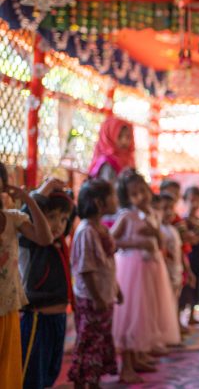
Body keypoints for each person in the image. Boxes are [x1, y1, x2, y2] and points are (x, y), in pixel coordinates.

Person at [111, 170, 180, 383]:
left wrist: (154, 232)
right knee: (132, 315)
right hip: (133, 269)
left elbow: (159, 240)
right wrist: (135, 243)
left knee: (146, 312)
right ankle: (127, 366)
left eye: (142, 191)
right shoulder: (126, 216)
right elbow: (111, 241)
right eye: (134, 194)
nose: (140, 197)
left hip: (151, 268)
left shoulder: (151, 213)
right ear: (126, 197)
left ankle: (140, 356)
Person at [0, 163, 54, 389]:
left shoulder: (13, 219)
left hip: (7, 306)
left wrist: (29, 200)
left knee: (7, 369)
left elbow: (45, 238)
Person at [18, 186, 75, 389]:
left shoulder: (61, 244)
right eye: (51, 217)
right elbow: (24, 214)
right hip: (38, 319)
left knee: (51, 371)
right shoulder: (34, 242)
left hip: (57, 318)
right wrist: (47, 186)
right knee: (33, 374)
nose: (58, 225)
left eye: (63, 219)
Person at [67, 179, 120, 389]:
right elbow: (86, 269)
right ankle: (83, 381)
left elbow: (107, 264)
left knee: (100, 341)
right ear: (98, 202)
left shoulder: (102, 229)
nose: (116, 200)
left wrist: (117, 288)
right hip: (91, 298)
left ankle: (94, 380)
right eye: (112, 196)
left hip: (104, 295)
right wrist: (97, 297)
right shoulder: (86, 231)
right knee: (89, 342)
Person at [159, 192, 190, 334]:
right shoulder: (160, 230)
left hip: (176, 270)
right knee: (165, 302)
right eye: (164, 209)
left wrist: (186, 269)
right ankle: (166, 331)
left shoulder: (173, 229)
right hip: (165, 271)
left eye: (171, 208)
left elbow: (180, 251)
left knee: (175, 299)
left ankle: (174, 327)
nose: (169, 212)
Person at [180, 186, 199, 325]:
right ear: (185, 200)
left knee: (198, 283)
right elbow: (187, 239)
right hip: (189, 255)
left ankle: (192, 315)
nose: (195, 203)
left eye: (198, 200)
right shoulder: (183, 220)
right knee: (188, 285)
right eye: (192, 200)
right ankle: (182, 316)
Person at [87, 116, 135, 184]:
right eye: (119, 136)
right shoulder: (107, 164)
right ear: (108, 137)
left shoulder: (128, 161)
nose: (124, 141)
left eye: (128, 136)